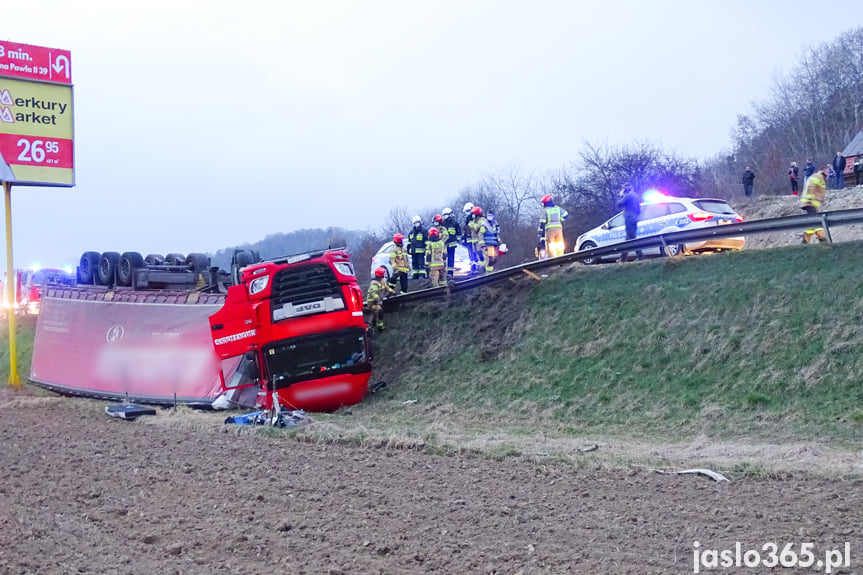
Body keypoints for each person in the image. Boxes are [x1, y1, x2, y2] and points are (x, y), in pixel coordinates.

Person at [800, 165, 829, 244]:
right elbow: (811, 187)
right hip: (810, 203)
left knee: (812, 222)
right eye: (828, 171)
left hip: (809, 202)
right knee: (816, 221)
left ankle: (805, 240)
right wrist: (810, 200)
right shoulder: (819, 177)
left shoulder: (817, 176)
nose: (829, 173)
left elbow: (819, 190)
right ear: (824, 171)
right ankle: (822, 238)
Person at [616, 185, 643, 262]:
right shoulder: (635, 197)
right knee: (630, 238)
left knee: (631, 238)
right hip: (634, 219)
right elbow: (639, 210)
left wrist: (621, 196)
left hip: (629, 219)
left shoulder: (627, 196)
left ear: (625, 190)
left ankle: (640, 256)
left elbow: (618, 204)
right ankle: (623, 258)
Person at [365, 267, 394, 331]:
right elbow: (373, 294)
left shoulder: (382, 281)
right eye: (383, 273)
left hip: (378, 301)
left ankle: (372, 326)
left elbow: (387, 287)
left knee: (375, 314)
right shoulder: (374, 283)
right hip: (372, 302)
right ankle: (379, 326)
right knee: (379, 311)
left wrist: (392, 292)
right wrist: (378, 300)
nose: (385, 274)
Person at [477, 208, 501, 273]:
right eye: (488, 215)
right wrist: (482, 245)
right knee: (490, 259)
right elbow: (480, 234)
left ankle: (487, 270)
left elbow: (496, 235)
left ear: (493, 216)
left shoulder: (495, 224)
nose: (489, 217)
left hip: (494, 244)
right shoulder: (485, 225)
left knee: (495, 259)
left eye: (490, 215)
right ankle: (487, 273)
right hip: (488, 245)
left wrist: (500, 242)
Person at [462, 202, 483, 273]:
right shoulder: (468, 218)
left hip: (475, 240)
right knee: (472, 255)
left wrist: (468, 227)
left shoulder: (475, 218)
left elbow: (473, 229)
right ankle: (474, 268)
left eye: (468, 211)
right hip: (470, 240)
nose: (467, 213)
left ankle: (477, 268)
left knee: (476, 254)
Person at [441, 207, 461, 278]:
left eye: (446, 215)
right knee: (443, 259)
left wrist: (458, 240)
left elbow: (458, 233)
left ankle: (450, 273)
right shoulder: (442, 224)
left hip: (452, 244)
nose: (445, 216)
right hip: (444, 244)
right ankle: (443, 273)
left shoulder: (455, 224)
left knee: (451, 259)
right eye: (444, 215)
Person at [407, 215, 427, 280]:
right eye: (415, 223)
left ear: (420, 222)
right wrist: (408, 249)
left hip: (421, 252)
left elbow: (426, 241)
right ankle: (415, 275)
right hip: (413, 252)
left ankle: (422, 275)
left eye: (417, 222)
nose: (417, 224)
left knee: (421, 264)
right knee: (414, 264)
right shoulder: (411, 232)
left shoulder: (424, 231)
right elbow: (409, 242)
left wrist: (427, 249)